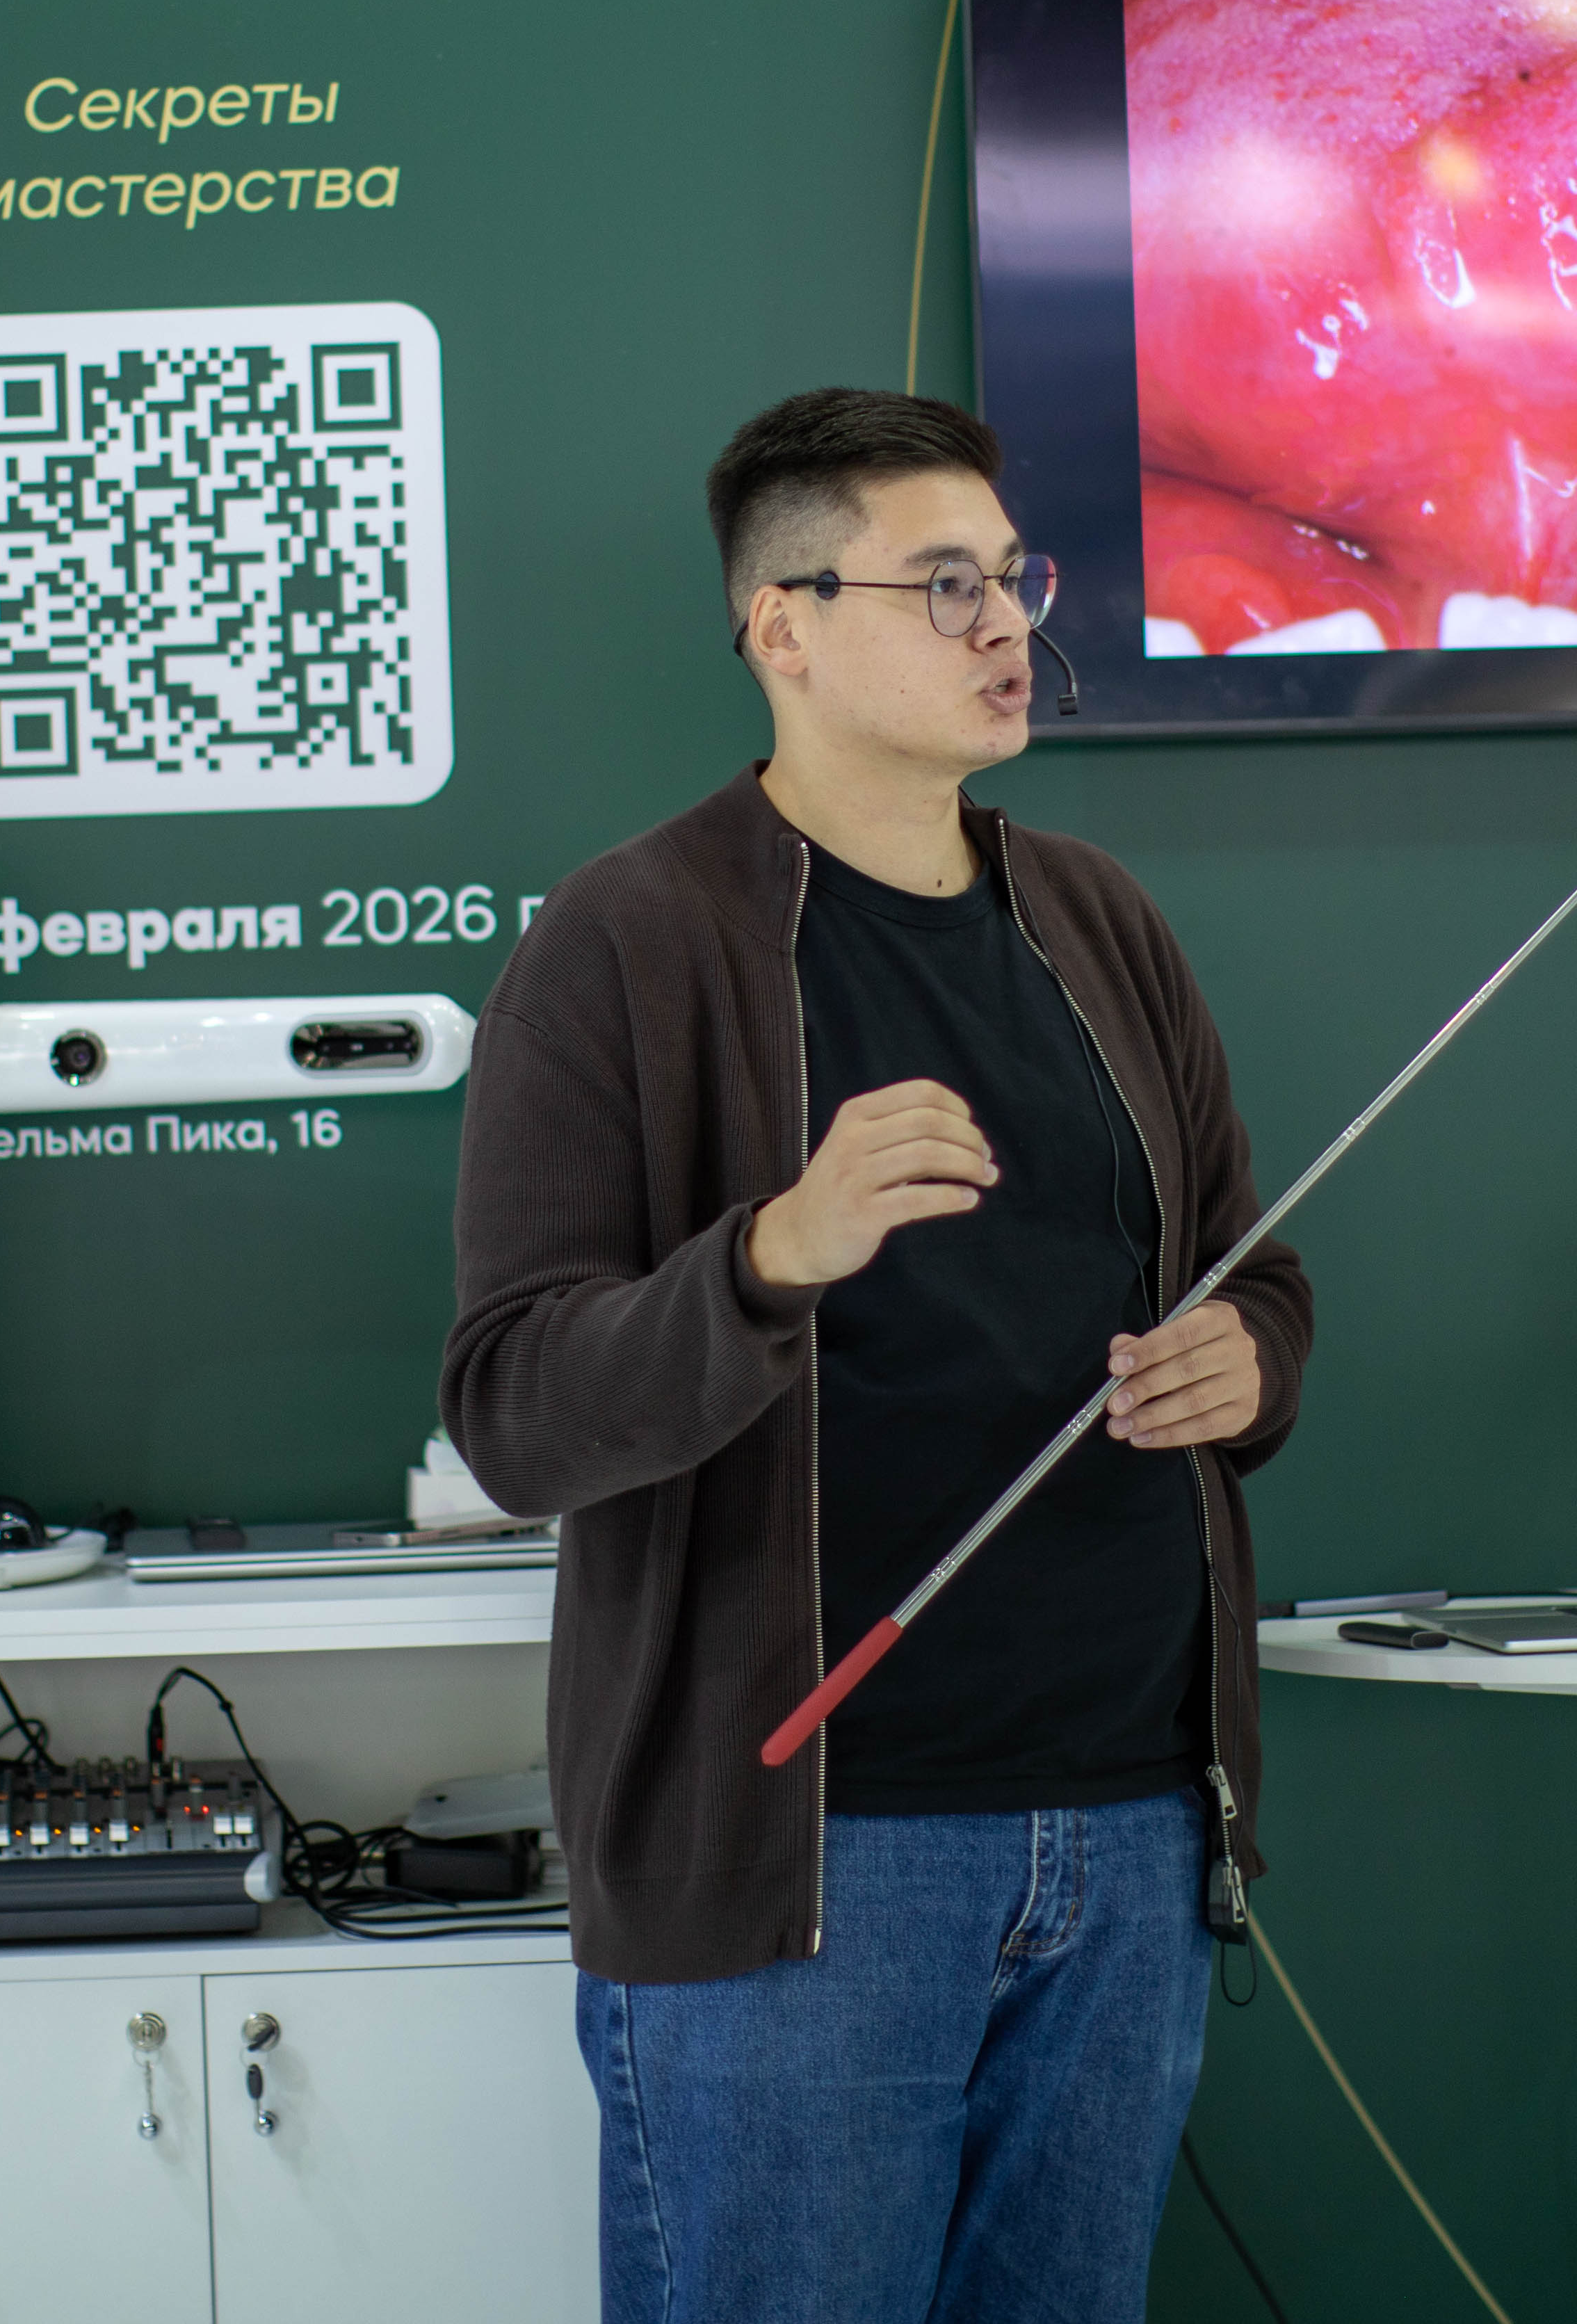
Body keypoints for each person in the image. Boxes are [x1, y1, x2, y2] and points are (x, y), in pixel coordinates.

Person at [443, 387, 1316, 2324]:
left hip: (1130, 1832)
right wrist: (773, 1253)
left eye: (1012, 579)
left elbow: (1257, 1277)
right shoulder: (626, 942)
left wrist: (1246, 1365)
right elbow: (515, 1410)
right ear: (785, 628)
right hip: (812, 1868)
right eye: (943, 586)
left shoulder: (1100, 921)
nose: (1007, 627)